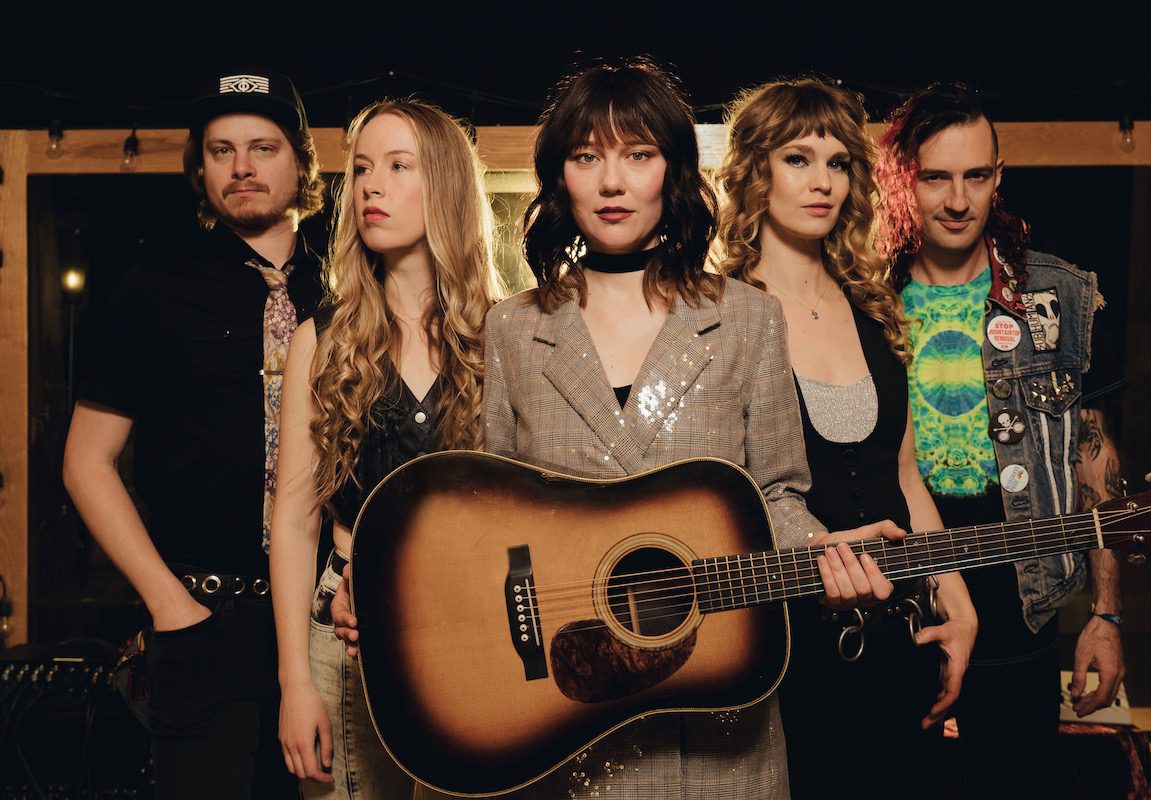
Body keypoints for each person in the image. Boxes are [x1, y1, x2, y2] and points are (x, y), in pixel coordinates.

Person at [472, 58, 912, 799]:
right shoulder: (514, 330)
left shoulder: (745, 318)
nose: (612, 183)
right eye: (587, 157)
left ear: (672, 171)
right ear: (560, 176)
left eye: (637, 155)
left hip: (716, 729)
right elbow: (491, 519)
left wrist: (822, 556)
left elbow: (774, 493)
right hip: (564, 721)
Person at [62, 69, 325, 798]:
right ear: (200, 170)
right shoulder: (150, 290)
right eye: (221, 150)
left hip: (323, 622)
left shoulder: (343, 294)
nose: (242, 167)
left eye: (263, 147)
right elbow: (87, 463)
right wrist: (168, 602)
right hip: (205, 621)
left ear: (300, 162)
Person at [714, 77, 977, 799]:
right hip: (791, 659)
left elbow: (907, 474)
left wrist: (956, 597)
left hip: (900, 641)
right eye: (798, 159)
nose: (822, 182)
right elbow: (722, 507)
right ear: (754, 170)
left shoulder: (873, 303)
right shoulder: (723, 317)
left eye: (838, 163)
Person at [875, 82, 1126, 799]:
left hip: (1024, 606)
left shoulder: (1055, 296)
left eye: (976, 176)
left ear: (998, 178)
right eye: (936, 177)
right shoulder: (862, 298)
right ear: (905, 181)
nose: (958, 199)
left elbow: (1093, 455)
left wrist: (1105, 615)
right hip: (902, 606)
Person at [269, 99, 500, 798]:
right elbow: (294, 520)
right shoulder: (323, 337)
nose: (370, 185)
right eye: (362, 168)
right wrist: (294, 682)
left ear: (447, 187)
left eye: (399, 166)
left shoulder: (507, 333)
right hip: (347, 627)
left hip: (474, 618)